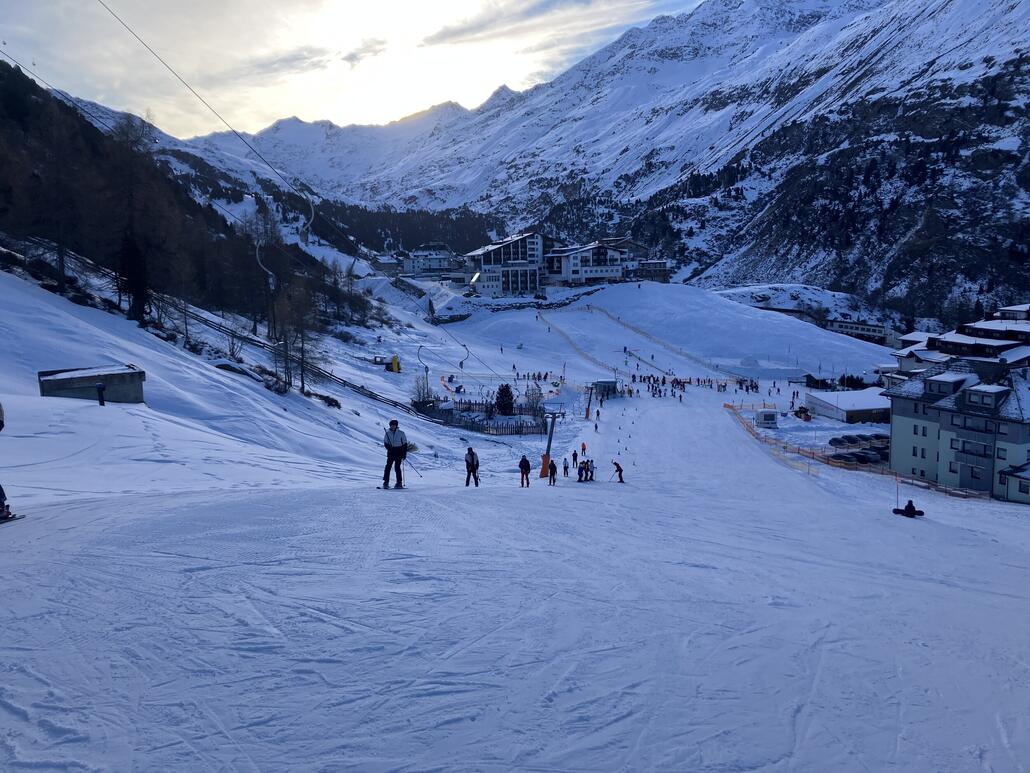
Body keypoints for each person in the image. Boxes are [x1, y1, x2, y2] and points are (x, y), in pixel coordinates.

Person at [382, 419, 407, 489]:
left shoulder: (401, 433)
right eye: (392, 425)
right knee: (388, 467)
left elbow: (405, 444)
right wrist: (389, 449)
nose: (393, 427)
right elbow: (385, 443)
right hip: (391, 452)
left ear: (396, 426)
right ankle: (386, 482)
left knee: (397, 467)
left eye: (394, 425)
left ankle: (399, 483)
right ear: (390, 426)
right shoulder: (387, 433)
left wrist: (404, 453)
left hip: (399, 452)